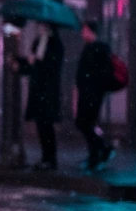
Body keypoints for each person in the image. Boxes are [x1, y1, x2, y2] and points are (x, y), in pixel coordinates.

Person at [14, 21, 64, 170]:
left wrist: (37, 62)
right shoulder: (37, 42)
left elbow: (51, 65)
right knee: (41, 125)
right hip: (38, 90)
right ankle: (45, 158)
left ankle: (50, 159)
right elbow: (32, 65)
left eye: (42, 25)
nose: (39, 27)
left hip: (48, 90)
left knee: (46, 125)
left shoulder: (55, 44)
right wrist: (22, 64)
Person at [75, 19, 116, 170]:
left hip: (92, 93)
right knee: (85, 123)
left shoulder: (98, 48)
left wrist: (92, 86)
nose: (82, 33)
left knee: (84, 123)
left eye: (84, 30)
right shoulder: (92, 48)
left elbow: (101, 72)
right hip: (89, 92)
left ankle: (101, 151)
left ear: (91, 31)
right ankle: (99, 152)